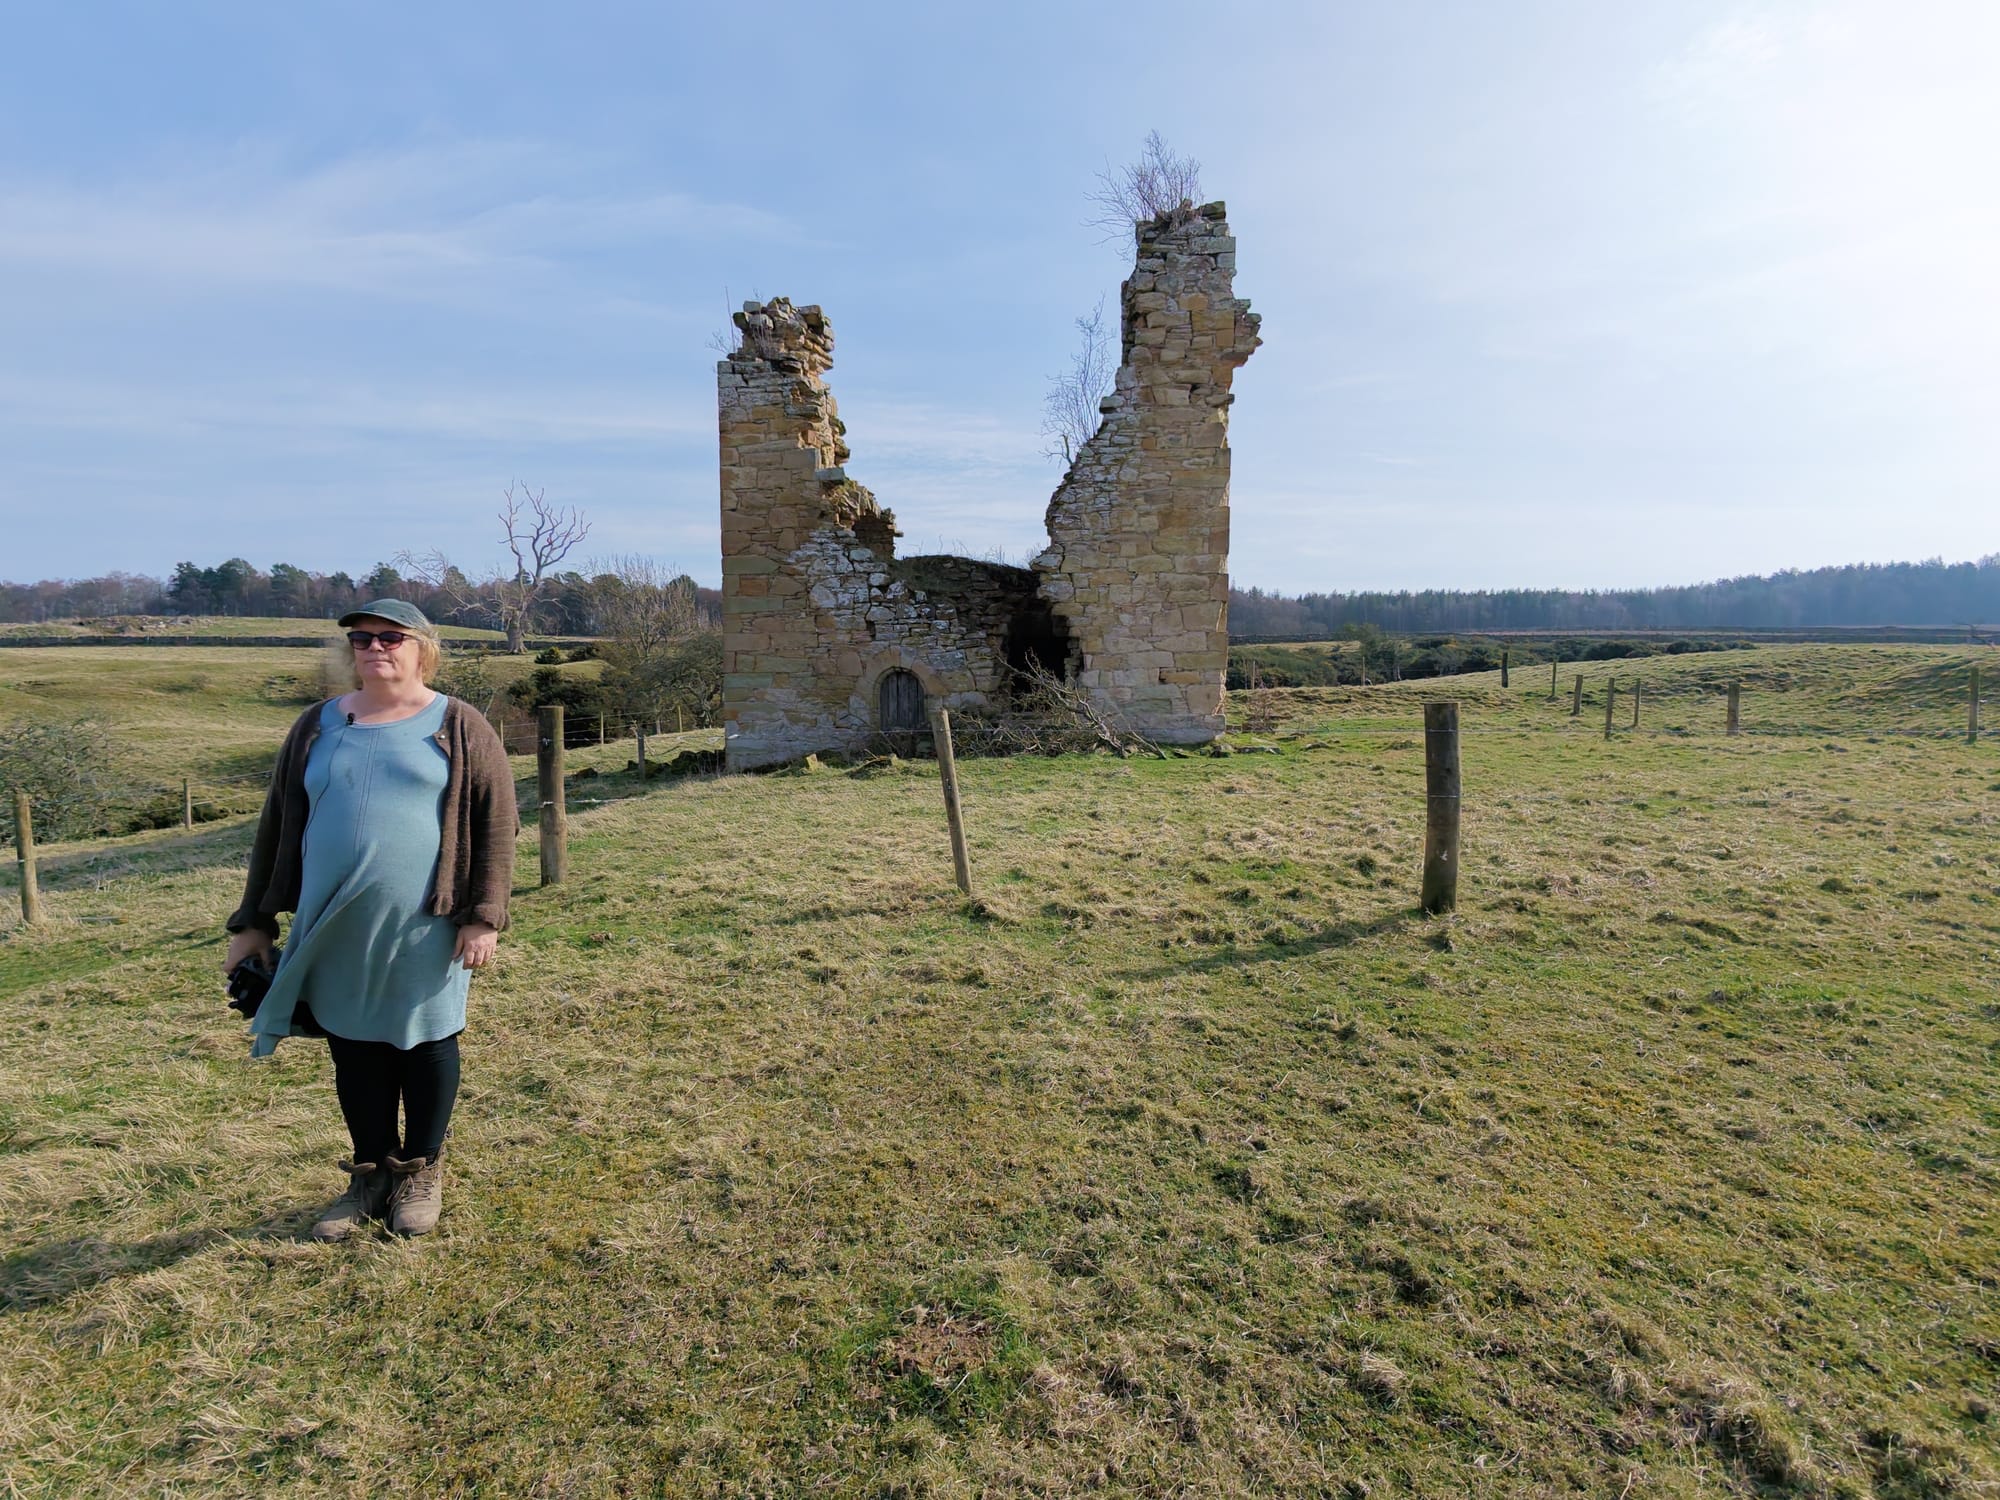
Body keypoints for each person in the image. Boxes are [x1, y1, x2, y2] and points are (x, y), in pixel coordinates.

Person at [224, 599, 517, 1240]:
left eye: (390, 637)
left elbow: (496, 823)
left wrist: (484, 916)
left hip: (426, 922)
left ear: (422, 648)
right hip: (331, 922)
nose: (374, 648)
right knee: (354, 1046)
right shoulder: (316, 725)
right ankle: (371, 1174)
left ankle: (421, 1171)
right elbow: (276, 827)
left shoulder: (458, 723)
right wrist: (253, 923)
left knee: (425, 1040)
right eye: (362, 639)